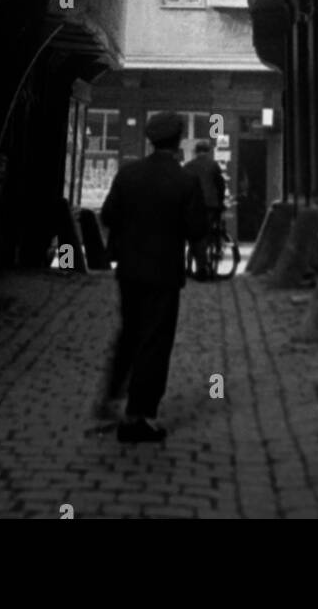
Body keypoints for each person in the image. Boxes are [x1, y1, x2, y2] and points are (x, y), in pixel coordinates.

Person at [99, 112, 208, 443]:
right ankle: (138, 417)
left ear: (150, 140)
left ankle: (111, 396)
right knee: (155, 342)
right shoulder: (185, 182)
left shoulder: (128, 175)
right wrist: (201, 264)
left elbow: (107, 215)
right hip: (163, 274)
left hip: (130, 272)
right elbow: (197, 230)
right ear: (177, 143)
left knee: (130, 333)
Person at [182, 140, 226, 279]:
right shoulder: (213, 165)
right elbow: (220, 185)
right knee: (203, 234)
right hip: (210, 205)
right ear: (208, 151)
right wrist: (220, 202)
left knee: (192, 234)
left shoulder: (188, 166)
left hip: (192, 206)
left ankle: (191, 266)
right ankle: (202, 267)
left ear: (196, 151)